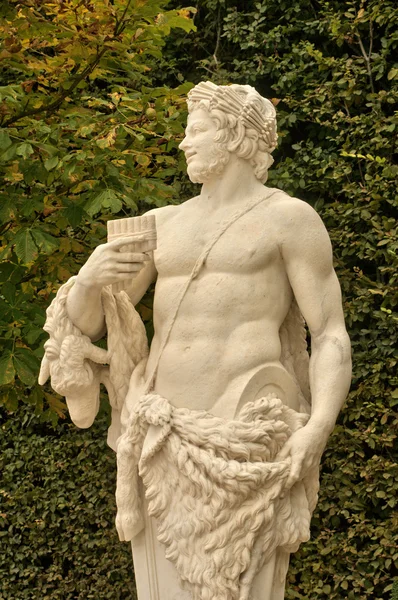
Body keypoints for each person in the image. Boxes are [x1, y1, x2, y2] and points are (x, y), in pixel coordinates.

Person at [57, 81, 351, 599]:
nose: (183, 143)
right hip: (161, 436)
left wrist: (319, 426)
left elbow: (330, 335)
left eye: (196, 130)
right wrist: (89, 277)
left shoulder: (289, 219)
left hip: (248, 439)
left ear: (236, 135)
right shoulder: (159, 226)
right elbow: (91, 324)